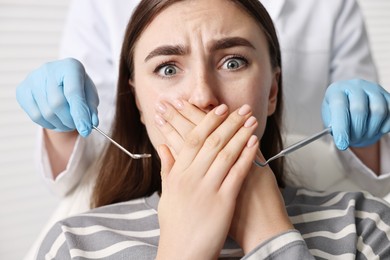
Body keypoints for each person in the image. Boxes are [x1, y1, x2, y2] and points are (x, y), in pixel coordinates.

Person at [35, 0, 390, 259]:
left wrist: (269, 231)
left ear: (272, 91)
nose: (204, 96)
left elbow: (366, 144)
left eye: (233, 62)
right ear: (137, 102)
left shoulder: (365, 227)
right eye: (168, 69)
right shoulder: (75, 244)